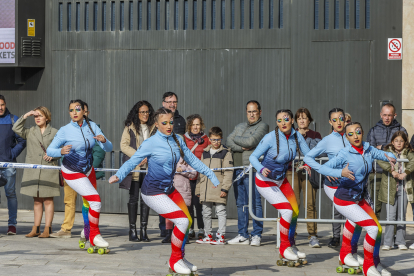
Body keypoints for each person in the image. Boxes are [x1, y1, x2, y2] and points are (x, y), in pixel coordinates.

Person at [109, 107, 220, 275]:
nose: (169, 126)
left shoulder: (177, 139)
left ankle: (180, 258)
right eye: (164, 123)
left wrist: (210, 173)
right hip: (152, 192)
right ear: (157, 124)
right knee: (182, 221)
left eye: (171, 122)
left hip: (169, 189)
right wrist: (120, 174)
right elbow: (134, 161)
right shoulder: (150, 143)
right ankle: (174, 261)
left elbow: (191, 160)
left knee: (187, 221)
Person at [317, 122, 395, 276]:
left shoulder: (367, 148)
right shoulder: (344, 153)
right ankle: (367, 267)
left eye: (358, 132)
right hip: (344, 199)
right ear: (347, 137)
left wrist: (392, 157)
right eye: (351, 134)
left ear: (362, 132)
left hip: (358, 198)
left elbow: (383, 155)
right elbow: (323, 168)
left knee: (377, 229)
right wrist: (340, 173)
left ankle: (374, 263)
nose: (355, 136)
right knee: (372, 228)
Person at [47, 100, 113, 249]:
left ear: (84, 111)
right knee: (96, 200)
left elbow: (109, 147)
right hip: (71, 170)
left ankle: (87, 230)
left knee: (88, 202)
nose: (74, 113)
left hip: (88, 170)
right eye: (71, 110)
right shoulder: (65, 130)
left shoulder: (92, 126)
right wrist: (60, 151)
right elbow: (50, 150)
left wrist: (104, 141)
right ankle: (94, 235)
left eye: (77, 109)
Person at [249, 109, 310, 262]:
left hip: (281, 180)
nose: (283, 123)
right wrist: (262, 168)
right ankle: (284, 248)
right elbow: (253, 157)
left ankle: (291, 245)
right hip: (265, 181)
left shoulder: (296, 136)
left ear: (292, 120)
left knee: (294, 210)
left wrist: (308, 162)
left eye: (286, 119)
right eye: (279, 120)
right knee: (287, 212)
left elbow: (308, 153)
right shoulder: (270, 138)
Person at [304, 108, 361, 253]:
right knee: (349, 213)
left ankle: (348, 247)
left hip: (352, 183)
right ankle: (344, 246)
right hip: (334, 185)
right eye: (334, 120)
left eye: (341, 118)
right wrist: (327, 170)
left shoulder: (352, 135)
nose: (338, 122)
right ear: (330, 122)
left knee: (353, 216)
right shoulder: (327, 140)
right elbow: (308, 157)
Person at [226, 100, 268, 246]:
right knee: (240, 203)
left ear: (260, 112)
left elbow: (252, 141)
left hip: (252, 170)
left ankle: (256, 234)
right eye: (249, 112)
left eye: (254, 111)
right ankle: (242, 234)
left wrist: (238, 141)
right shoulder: (239, 126)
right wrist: (242, 145)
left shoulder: (263, 126)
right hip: (238, 169)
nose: (251, 114)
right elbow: (227, 140)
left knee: (255, 203)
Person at [12, 107, 59, 238]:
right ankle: (36, 228)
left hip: (48, 169)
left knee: (48, 200)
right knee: (37, 201)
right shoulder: (31, 131)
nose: (37, 118)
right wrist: (26, 115)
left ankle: (48, 228)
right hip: (33, 171)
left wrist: (54, 156)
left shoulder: (55, 132)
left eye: (40, 116)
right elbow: (16, 128)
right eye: (35, 116)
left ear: (47, 118)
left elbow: (63, 149)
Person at [119, 101, 155, 242]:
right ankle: (132, 231)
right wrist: (138, 156)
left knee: (145, 200)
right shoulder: (130, 127)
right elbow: (123, 145)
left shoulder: (154, 127)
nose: (145, 114)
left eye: (147, 112)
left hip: (149, 170)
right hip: (135, 169)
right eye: (142, 112)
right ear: (137, 113)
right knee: (133, 199)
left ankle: (144, 231)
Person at [367, 103, 408, 220]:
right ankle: (376, 235)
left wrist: (382, 146)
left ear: (394, 115)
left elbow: (404, 148)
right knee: (376, 207)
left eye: (389, 115)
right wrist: (384, 148)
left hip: (396, 173)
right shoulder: (374, 130)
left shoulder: (401, 130)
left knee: (394, 206)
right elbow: (370, 149)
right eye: (384, 115)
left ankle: (394, 235)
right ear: (381, 115)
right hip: (377, 173)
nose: (386, 118)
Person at [289, 107, 322, 248]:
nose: (302, 120)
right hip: (292, 171)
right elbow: (289, 151)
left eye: (304, 117)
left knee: (310, 203)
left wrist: (302, 138)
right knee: (293, 204)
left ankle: (312, 234)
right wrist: (297, 137)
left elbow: (315, 152)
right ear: (295, 121)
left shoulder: (315, 134)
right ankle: (291, 234)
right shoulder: (290, 134)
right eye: (299, 118)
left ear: (309, 120)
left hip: (308, 172)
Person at [195, 127, 233, 245]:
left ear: (221, 139)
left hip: (218, 188)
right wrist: (198, 188)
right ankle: (208, 235)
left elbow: (228, 172)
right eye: (213, 140)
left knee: (220, 211)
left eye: (218, 140)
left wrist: (225, 188)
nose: (216, 142)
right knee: (205, 212)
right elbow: (201, 172)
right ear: (209, 139)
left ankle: (221, 236)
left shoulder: (226, 153)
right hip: (205, 189)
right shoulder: (205, 153)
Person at [378, 131, 413, 251]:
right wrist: (391, 170)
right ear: (392, 142)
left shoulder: (408, 152)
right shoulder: (387, 152)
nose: (399, 143)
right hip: (390, 189)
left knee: (401, 216)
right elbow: (380, 160)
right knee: (390, 216)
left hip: (403, 189)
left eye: (401, 141)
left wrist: (405, 173)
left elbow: (413, 162)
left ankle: (401, 241)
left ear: (405, 142)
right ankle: (388, 242)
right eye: (396, 140)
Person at [159, 91, 186, 236]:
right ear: (163, 103)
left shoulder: (181, 120)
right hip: (162, 164)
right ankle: (164, 229)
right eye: (169, 102)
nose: (172, 104)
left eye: (174, 102)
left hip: (178, 165)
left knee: (176, 196)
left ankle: (177, 228)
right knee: (162, 196)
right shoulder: (156, 120)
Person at [0, 94, 26, 235]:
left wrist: (11, 154)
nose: (0, 107)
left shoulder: (13, 119)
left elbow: (22, 141)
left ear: (5, 104)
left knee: (10, 193)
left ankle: (12, 225)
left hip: (8, 164)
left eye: (2, 104)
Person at [183, 114, 211, 239]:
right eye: (193, 124)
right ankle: (190, 229)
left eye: (197, 124)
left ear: (201, 125)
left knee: (199, 204)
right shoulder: (184, 139)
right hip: (187, 176)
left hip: (201, 177)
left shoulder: (206, 139)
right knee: (188, 204)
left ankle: (201, 228)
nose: (195, 127)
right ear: (189, 126)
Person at [163, 156, 196, 243]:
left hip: (183, 190)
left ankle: (184, 236)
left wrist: (183, 170)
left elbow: (194, 173)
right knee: (169, 213)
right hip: (170, 188)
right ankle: (169, 234)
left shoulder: (187, 158)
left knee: (183, 214)